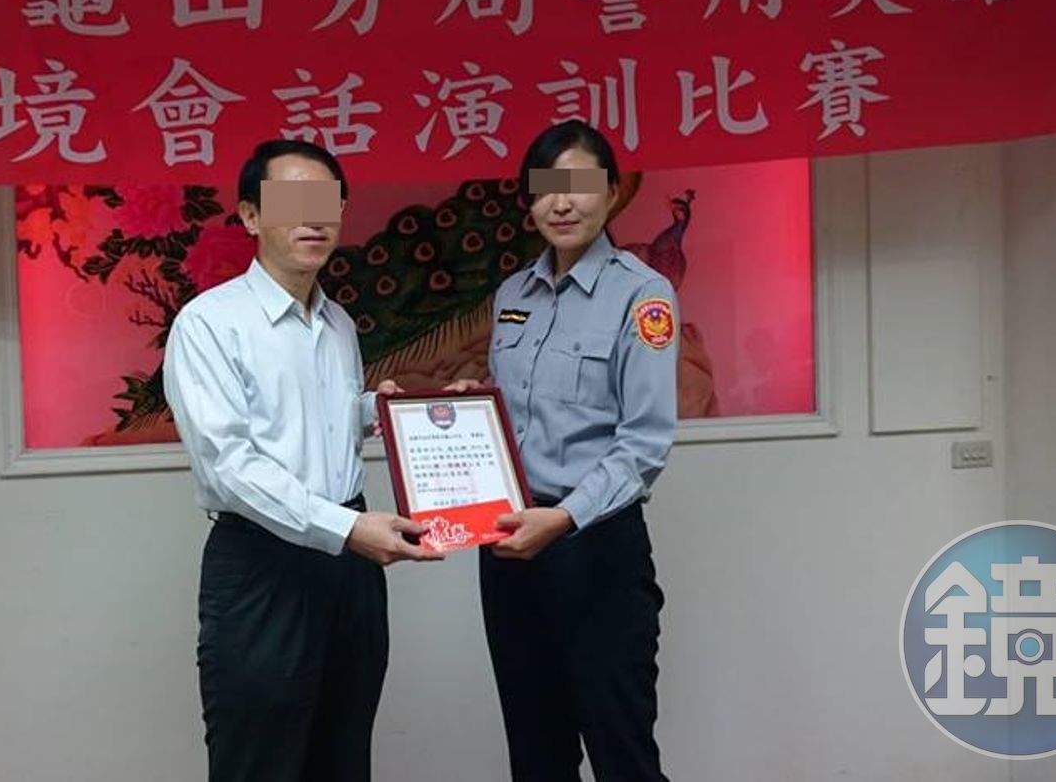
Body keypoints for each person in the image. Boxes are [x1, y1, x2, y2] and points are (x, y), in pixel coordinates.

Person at [164, 138, 442, 782]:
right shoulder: (210, 324)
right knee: (258, 761)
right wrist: (347, 529)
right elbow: (229, 465)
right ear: (250, 215)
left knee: (344, 755)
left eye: (326, 201)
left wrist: (383, 412)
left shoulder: (338, 323)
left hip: (350, 568)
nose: (313, 218)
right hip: (264, 565)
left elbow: (317, 421)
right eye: (291, 200)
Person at [473, 119, 679, 781]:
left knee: (622, 753)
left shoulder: (643, 296)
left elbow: (644, 443)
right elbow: (509, 417)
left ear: (613, 193)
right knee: (535, 752)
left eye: (579, 185)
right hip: (509, 546)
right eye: (545, 187)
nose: (561, 202)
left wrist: (562, 520)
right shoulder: (512, 295)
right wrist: (465, 410)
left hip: (594, 548)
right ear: (529, 201)